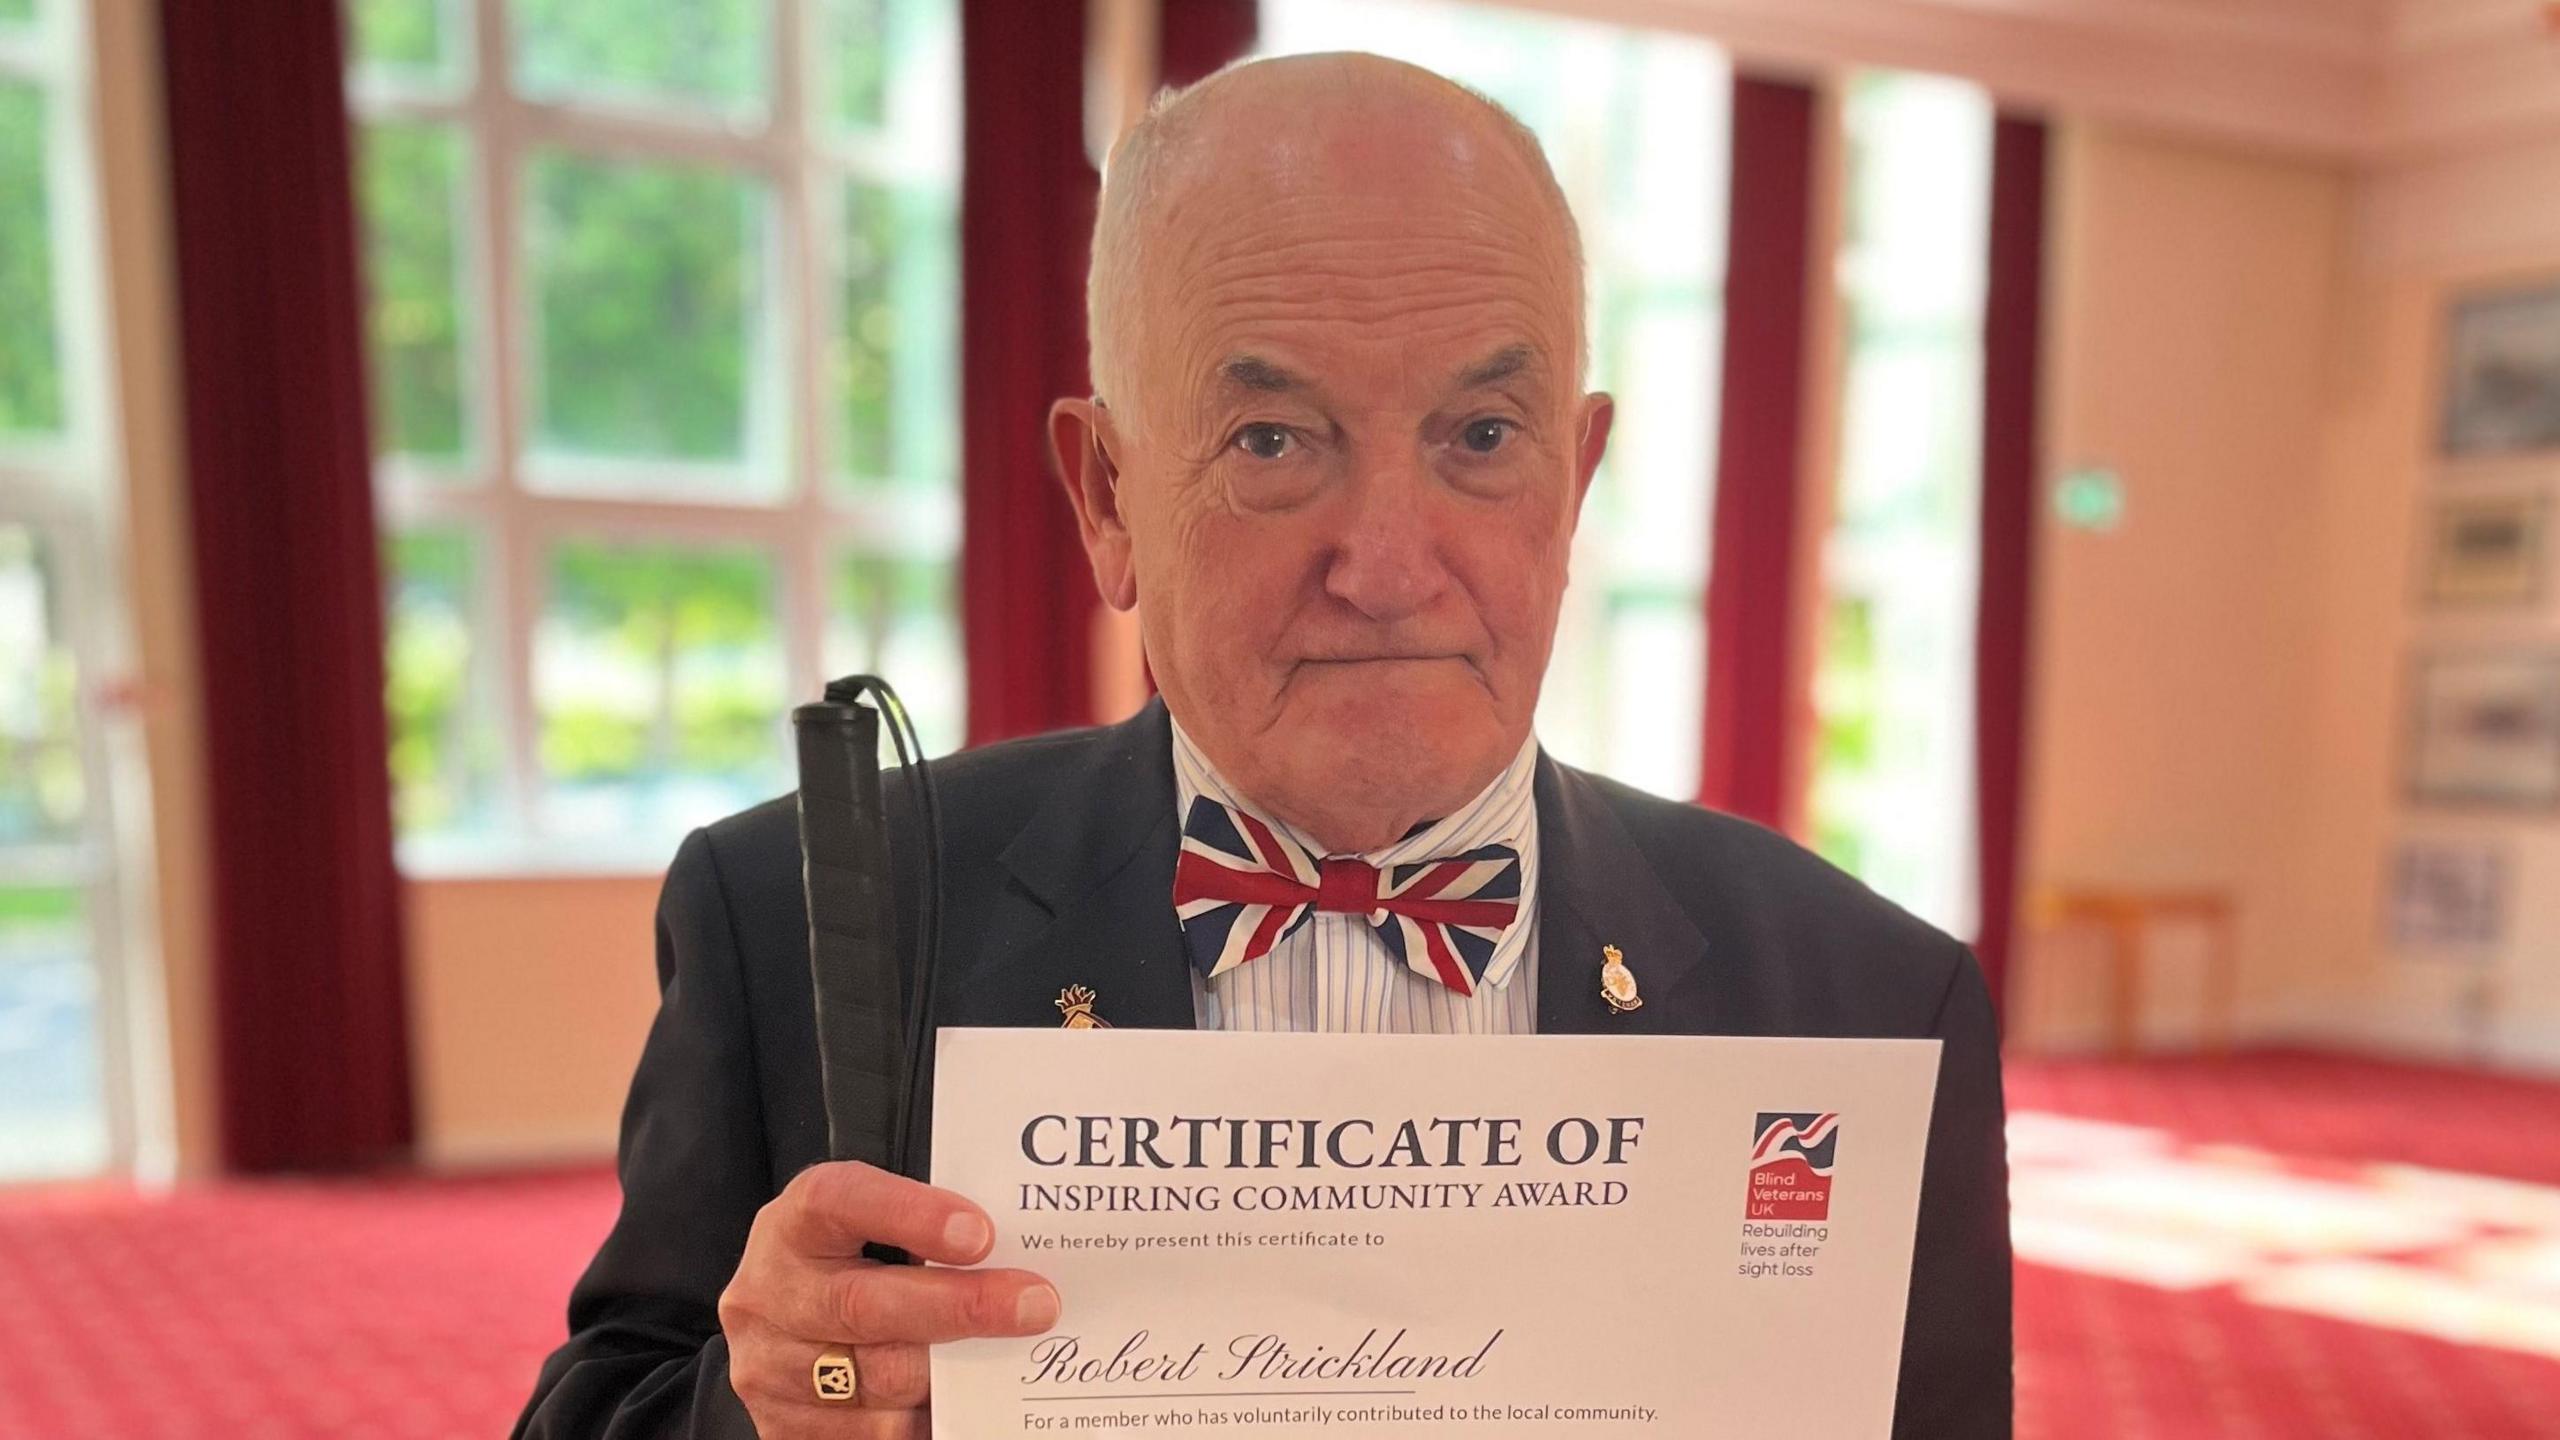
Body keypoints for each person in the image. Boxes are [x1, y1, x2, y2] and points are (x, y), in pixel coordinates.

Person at [515, 51, 2011, 1440]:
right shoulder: (804, 919)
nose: (1389, 562)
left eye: (1482, 435)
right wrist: (762, 1405)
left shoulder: (1871, 1005)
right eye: (1274, 443)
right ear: (1108, 496)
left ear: (1578, 477)